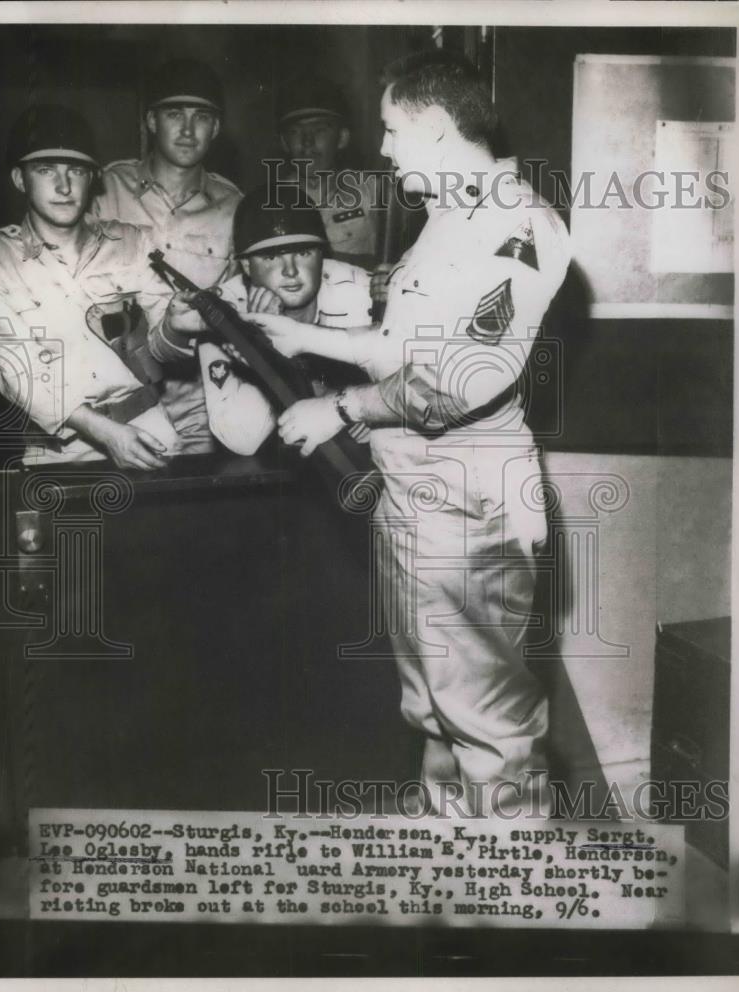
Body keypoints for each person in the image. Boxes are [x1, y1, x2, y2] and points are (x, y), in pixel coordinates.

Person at [243, 51, 572, 817]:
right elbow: (407, 347)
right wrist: (305, 338)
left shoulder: (515, 225)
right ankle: (445, 870)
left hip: (467, 499)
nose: (383, 150)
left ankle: (512, 897)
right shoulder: (451, 218)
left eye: (392, 131)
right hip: (416, 490)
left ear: (434, 128)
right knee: (432, 697)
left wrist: (343, 408)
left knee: (487, 716)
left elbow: (460, 378)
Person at [0, 103, 187, 469]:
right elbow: (17, 374)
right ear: (20, 179)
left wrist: (179, 325)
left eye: (76, 170)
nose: (64, 186)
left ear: (92, 177)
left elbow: (163, 350)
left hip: (147, 431)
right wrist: (107, 433)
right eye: (46, 170)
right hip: (56, 450)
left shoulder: (132, 242)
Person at [93, 57, 243, 454]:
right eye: (175, 113)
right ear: (151, 121)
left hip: (200, 409)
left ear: (217, 128)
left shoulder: (235, 209)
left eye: (202, 116)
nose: (188, 129)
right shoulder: (103, 190)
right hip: (114, 404)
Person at [165, 184, 372, 455]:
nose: (290, 270)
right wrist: (262, 347)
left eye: (303, 252)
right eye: (271, 257)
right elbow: (242, 440)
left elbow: (414, 384)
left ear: (322, 255)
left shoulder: (357, 290)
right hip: (272, 464)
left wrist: (370, 407)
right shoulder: (222, 311)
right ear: (247, 266)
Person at [274, 74, 382, 270]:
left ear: (342, 138)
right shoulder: (268, 205)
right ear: (284, 142)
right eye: (296, 132)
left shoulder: (373, 192)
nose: (307, 142)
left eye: (320, 130)